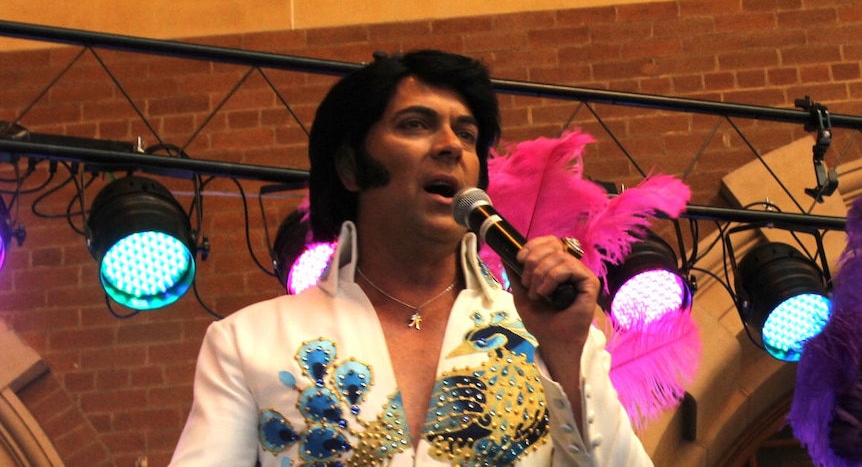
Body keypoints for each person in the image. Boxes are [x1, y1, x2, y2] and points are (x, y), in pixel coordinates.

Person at [169, 49, 653, 466]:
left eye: (466, 135)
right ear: (350, 166)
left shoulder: (549, 331)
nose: (450, 146)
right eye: (415, 125)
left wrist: (566, 355)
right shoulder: (248, 341)